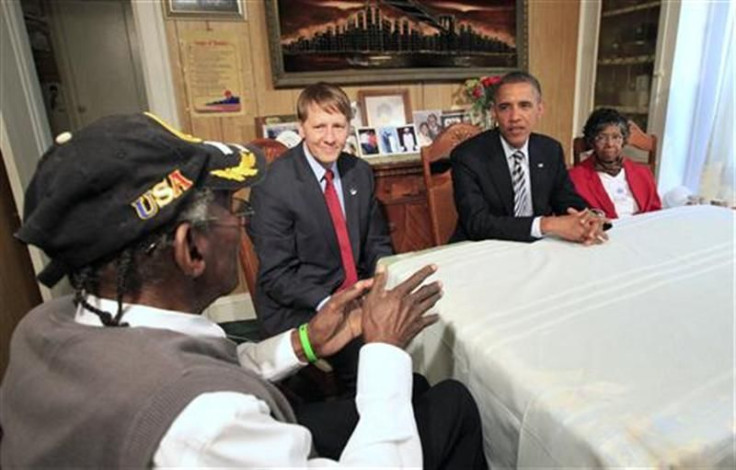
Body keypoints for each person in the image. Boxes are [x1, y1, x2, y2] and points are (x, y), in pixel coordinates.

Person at [0, 113, 487, 469]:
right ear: (191, 248)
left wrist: (306, 341)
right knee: (453, 402)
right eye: (230, 209)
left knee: (420, 389)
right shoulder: (205, 421)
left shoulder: (49, 322)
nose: (240, 224)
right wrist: (382, 348)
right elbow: (200, 403)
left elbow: (201, 364)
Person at [249, 83, 394, 392]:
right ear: (301, 128)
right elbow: (277, 276)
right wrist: (332, 304)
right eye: (319, 126)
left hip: (356, 294)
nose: (330, 137)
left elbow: (377, 242)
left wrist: (382, 283)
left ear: (348, 128)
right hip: (303, 306)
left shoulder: (359, 172)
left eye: (338, 126)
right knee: (371, 361)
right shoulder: (273, 186)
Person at [451, 70, 607, 244]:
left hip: (539, 247)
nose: (515, 117)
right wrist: (546, 224)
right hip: (484, 248)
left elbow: (566, 199)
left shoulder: (550, 149)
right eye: (505, 107)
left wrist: (588, 218)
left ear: (539, 110)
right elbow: (477, 223)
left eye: (524, 105)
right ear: (494, 112)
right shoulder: (467, 156)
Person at [569, 108, 662, 218]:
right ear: (591, 141)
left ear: (624, 140)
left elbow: (656, 212)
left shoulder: (643, 173)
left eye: (616, 137)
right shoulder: (574, 178)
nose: (610, 144)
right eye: (601, 138)